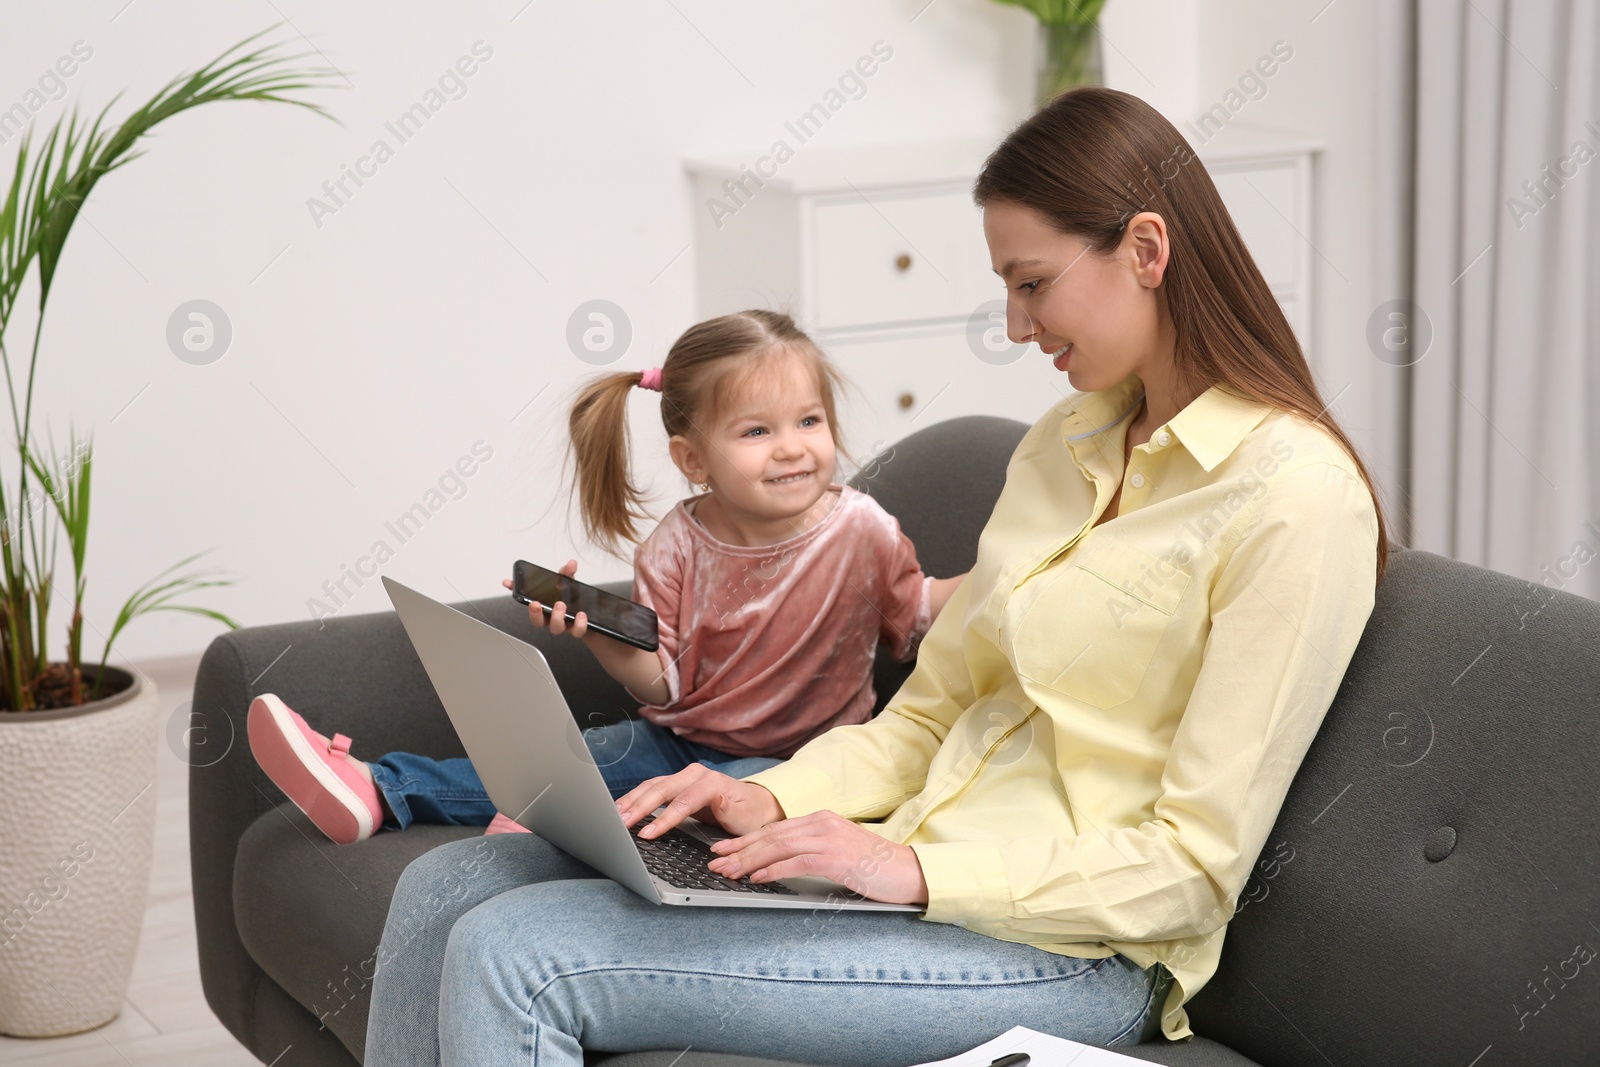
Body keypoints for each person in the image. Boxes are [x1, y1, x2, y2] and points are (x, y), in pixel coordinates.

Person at [362, 86, 1392, 1066]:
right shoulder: (1063, 445)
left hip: (1069, 951)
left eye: (1030, 282)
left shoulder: (1292, 498)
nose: (1015, 325)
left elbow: (1191, 864)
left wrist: (911, 868)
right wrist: (763, 795)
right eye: (1006, 288)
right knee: (452, 882)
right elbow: (926, 719)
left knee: (520, 954)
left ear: (1146, 249)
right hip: (901, 860)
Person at [247, 309, 965, 844]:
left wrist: (1004, 574)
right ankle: (379, 785)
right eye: (756, 431)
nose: (792, 449)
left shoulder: (861, 527)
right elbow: (663, 681)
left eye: (809, 421)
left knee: (707, 808)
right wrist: (594, 635)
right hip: (680, 738)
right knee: (555, 765)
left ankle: (567, 838)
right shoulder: (677, 547)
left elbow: (918, 614)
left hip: (803, 764)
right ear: (693, 459)